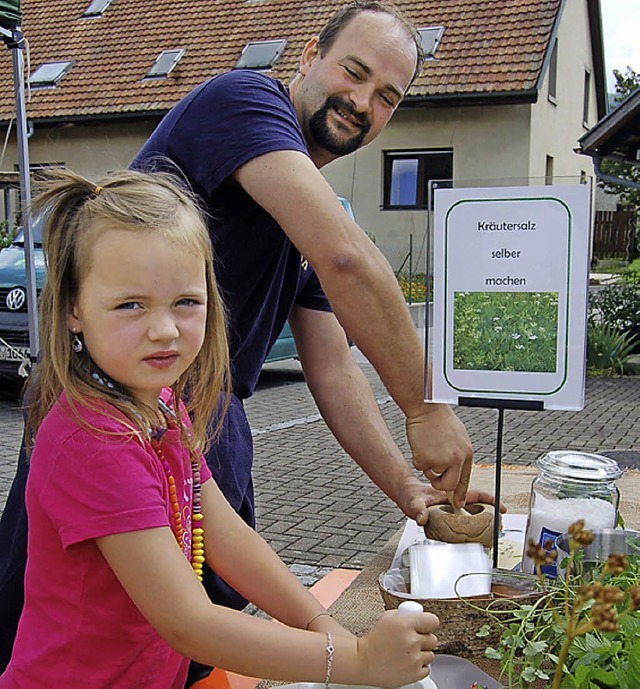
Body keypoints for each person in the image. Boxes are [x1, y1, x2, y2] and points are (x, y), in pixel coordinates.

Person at [0, 167, 440, 689]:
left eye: (185, 302)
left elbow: (225, 532)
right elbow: (191, 624)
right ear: (73, 308)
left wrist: (321, 623)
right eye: (130, 305)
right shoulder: (94, 442)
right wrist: (358, 661)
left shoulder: (161, 407)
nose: (164, 329)